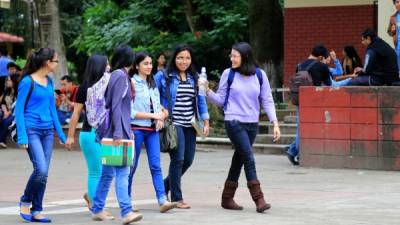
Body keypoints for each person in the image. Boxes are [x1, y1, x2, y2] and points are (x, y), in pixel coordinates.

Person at [206, 42, 280, 213]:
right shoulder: (228, 74)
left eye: (235, 56)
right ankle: (259, 199)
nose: (231, 58)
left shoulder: (260, 75)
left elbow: (267, 100)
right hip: (233, 121)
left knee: (239, 159)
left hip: (252, 124)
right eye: (231, 55)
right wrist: (208, 92)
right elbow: (221, 100)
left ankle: (227, 198)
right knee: (248, 157)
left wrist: (274, 122)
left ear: (245, 57)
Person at [90, 45, 142, 224]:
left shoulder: (117, 75)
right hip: (117, 133)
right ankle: (126, 212)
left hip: (115, 131)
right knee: (122, 173)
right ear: (130, 59)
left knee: (108, 173)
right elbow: (115, 106)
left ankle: (97, 208)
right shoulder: (120, 76)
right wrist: (120, 133)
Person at [154, 44, 210, 209]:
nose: (183, 61)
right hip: (173, 123)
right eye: (180, 58)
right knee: (178, 159)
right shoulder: (163, 76)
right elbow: (153, 95)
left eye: (187, 58)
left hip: (191, 124)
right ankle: (177, 198)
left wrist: (206, 121)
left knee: (188, 160)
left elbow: (200, 100)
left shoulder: (195, 77)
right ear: (175, 58)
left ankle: (164, 187)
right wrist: (159, 113)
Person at [15, 48, 66, 223]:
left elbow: (52, 109)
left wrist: (61, 134)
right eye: (56, 61)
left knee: (44, 173)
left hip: (47, 132)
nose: (57, 64)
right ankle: (25, 200)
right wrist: (22, 136)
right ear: (47, 62)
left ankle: (37, 209)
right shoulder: (27, 82)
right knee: (41, 169)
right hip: (32, 130)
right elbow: (19, 110)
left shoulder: (50, 82)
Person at [128, 51, 177, 213]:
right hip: (136, 129)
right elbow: (130, 112)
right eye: (145, 64)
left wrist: (162, 116)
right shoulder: (131, 83)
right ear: (137, 66)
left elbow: (160, 107)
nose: (149, 66)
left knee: (156, 166)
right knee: (131, 166)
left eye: (150, 63)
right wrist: (153, 115)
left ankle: (162, 200)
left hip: (153, 131)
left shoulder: (152, 83)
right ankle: (126, 201)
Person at [65, 54, 110, 210]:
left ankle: (91, 196)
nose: (109, 66)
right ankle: (97, 207)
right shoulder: (85, 87)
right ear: (99, 66)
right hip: (90, 133)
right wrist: (70, 136)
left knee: (106, 171)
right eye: (107, 64)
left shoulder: (108, 84)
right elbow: (76, 113)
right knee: (96, 171)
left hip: (106, 133)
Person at [286, 44, 332, 165]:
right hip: (315, 101)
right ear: (321, 57)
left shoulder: (299, 65)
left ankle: (294, 150)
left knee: (301, 126)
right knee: (306, 128)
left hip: (300, 100)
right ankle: (294, 151)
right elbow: (329, 85)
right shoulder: (322, 66)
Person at [0, 74, 19, 148]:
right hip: (6, 111)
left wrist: (8, 113)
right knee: (1, 118)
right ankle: (2, 141)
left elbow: (17, 106)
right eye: (7, 80)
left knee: (7, 121)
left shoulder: (18, 92)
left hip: (14, 113)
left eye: (9, 80)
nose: (7, 82)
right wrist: (5, 112)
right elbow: (3, 103)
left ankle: (1, 140)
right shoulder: (7, 91)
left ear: (14, 81)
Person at [387, 0, 400, 71]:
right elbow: (389, 32)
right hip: (398, 47)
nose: (399, 4)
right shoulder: (393, 17)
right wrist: (392, 31)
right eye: (397, 2)